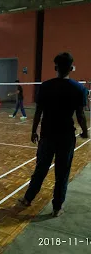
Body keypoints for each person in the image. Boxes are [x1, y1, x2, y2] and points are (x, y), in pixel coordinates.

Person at [18, 53, 88, 217]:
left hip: (47, 135)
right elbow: (80, 115)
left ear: (55, 67)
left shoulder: (45, 86)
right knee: (62, 174)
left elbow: (38, 111)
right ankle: (57, 208)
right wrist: (84, 131)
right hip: (66, 137)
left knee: (40, 169)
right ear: (71, 68)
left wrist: (33, 130)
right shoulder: (79, 89)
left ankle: (28, 199)